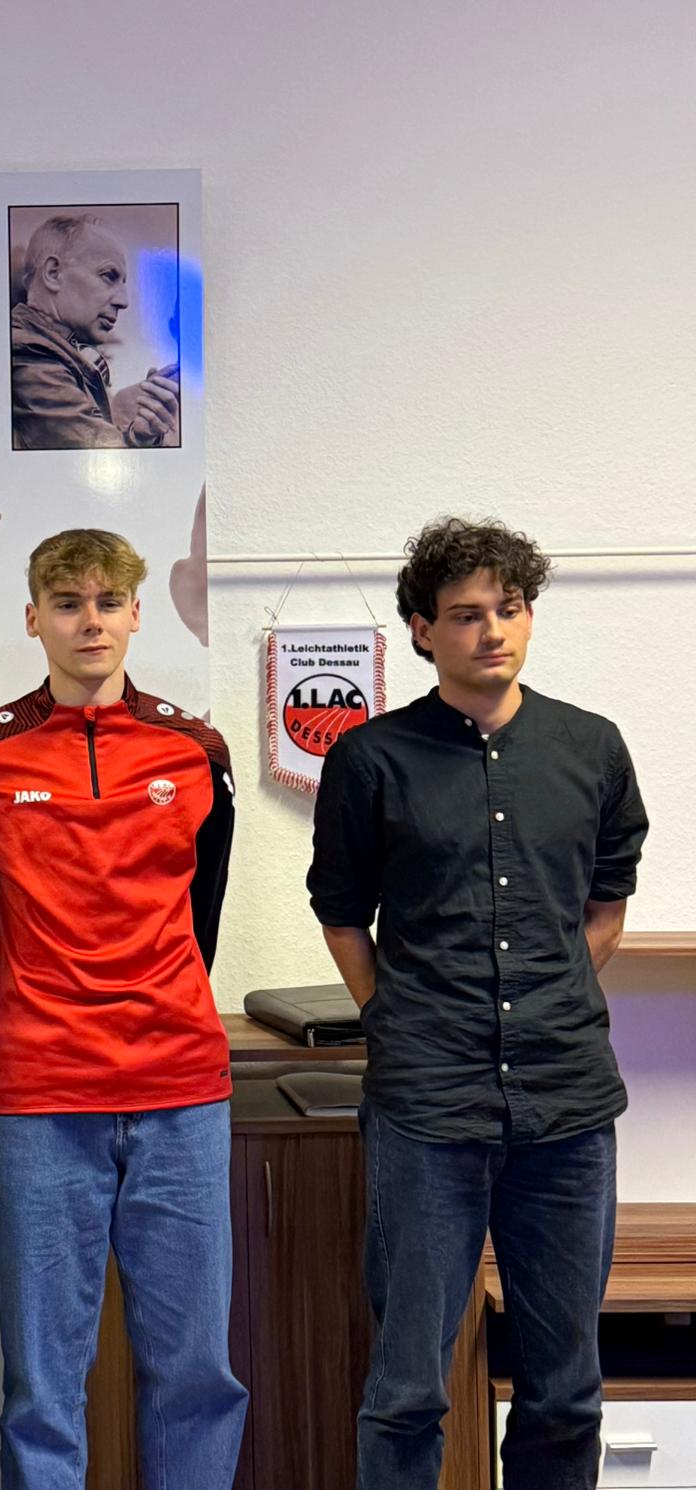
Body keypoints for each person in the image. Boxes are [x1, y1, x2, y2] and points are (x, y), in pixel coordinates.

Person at [308, 517, 650, 1490]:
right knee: (407, 1388)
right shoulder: (370, 758)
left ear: (529, 615)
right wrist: (393, 1014)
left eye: (509, 607)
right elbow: (341, 912)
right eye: (464, 614)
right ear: (422, 630)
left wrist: (550, 993)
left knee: (563, 1391)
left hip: (566, 1108)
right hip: (426, 1109)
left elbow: (607, 904)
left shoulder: (591, 747)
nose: (491, 630)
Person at [0, 528, 247, 1489]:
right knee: (43, 1386)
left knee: (195, 1373)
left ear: (137, 614)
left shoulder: (195, 751)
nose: (91, 621)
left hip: (180, 1091)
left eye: (109, 601)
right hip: (40, 1098)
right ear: (34, 618)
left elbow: (201, 917)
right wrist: (40, 1014)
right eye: (68, 603)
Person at [10, 214, 181, 450]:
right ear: (53, 273)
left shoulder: (50, 350)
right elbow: (94, 456)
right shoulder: (28, 352)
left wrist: (133, 422)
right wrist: (137, 437)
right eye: (108, 276)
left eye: (122, 283)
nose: (123, 301)